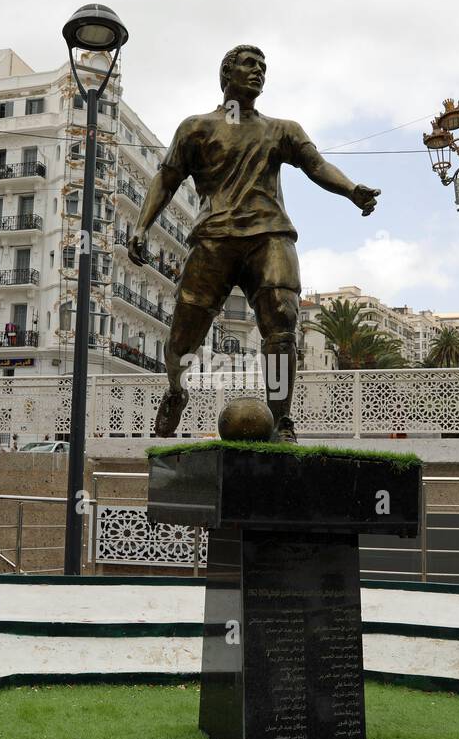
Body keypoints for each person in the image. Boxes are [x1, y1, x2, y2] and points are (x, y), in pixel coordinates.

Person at [128, 44, 379, 443]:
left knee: (282, 321)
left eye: (263, 66)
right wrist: (141, 227)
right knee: (183, 337)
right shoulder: (196, 128)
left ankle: (281, 420)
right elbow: (167, 178)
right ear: (226, 73)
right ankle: (176, 389)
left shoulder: (282, 130)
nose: (259, 71)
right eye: (249, 64)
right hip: (214, 240)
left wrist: (351, 190)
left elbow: (316, 166)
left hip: (269, 235)